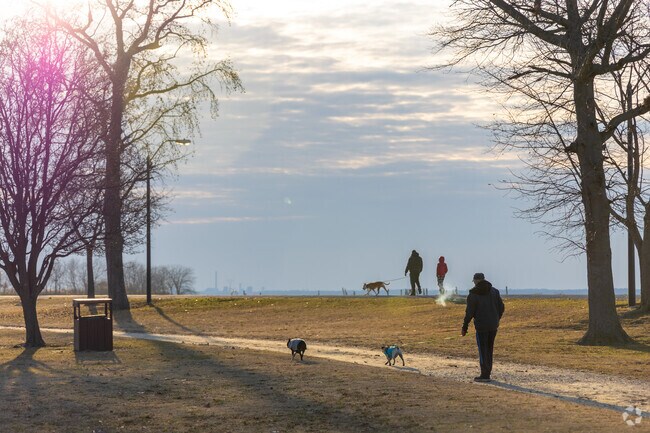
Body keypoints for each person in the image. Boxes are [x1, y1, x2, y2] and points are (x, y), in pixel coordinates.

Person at [461, 272, 504, 382]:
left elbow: (469, 312)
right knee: (489, 349)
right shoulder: (494, 291)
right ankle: (487, 372)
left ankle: (484, 374)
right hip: (493, 325)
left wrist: (464, 326)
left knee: (483, 349)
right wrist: (496, 318)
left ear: (475, 280)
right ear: (484, 279)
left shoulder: (473, 294)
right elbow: (501, 307)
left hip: (481, 325)